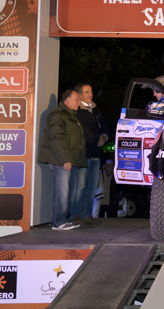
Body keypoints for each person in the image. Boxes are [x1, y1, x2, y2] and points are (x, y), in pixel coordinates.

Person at [38, 89, 86, 230]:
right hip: (61, 161)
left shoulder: (71, 116)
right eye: (77, 99)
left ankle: (64, 219)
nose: (79, 102)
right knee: (62, 192)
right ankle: (58, 222)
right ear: (67, 100)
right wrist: (65, 159)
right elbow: (56, 138)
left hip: (71, 161)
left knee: (68, 192)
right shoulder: (57, 114)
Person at [73, 82, 109, 224]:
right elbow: (81, 130)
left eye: (91, 92)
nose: (90, 95)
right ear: (80, 95)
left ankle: (86, 214)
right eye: (87, 92)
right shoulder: (77, 110)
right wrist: (97, 139)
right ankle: (76, 214)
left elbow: (104, 125)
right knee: (81, 186)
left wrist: (105, 137)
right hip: (84, 154)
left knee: (92, 186)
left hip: (96, 154)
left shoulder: (94, 109)